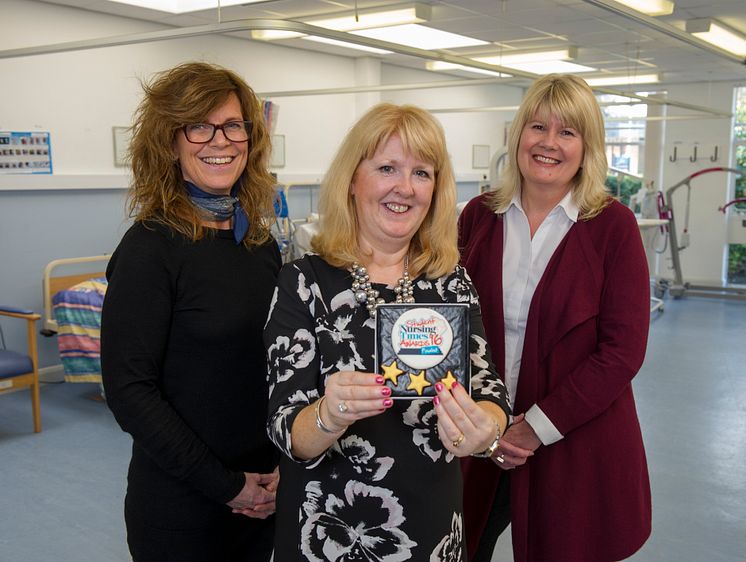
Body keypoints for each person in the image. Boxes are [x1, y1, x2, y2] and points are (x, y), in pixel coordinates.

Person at [264, 103, 511, 561]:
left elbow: (489, 389)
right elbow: (286, 429)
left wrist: (483, 431)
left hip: (432, 527)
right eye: (387, 168)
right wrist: (329, 414)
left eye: (422, 172)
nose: (405, 188)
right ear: (352, 181)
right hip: (329, 530)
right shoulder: (304, 283)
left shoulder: (450, 281)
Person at [460, 73, 652, 562]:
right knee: (463, 543)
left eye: (567, 132)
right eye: (537, 127)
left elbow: (622, 351)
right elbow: (453, 323)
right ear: (518, 134)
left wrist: (536, 426)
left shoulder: (614, 227)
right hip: (483, 433)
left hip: (572, 439)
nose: (549, 143)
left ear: (588, 147)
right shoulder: (478, 217)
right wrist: (484, 421)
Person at [101, 62, 281, 562]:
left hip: (262, 493)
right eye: (198, 126)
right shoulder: (149, 248)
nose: (219, 140)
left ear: (251, 137)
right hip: (182, 505)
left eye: (232, 125)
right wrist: (226, 486)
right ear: (170, 142)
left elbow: (276, 362)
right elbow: (129, 391)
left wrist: (279, 466)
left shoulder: (259, 242)